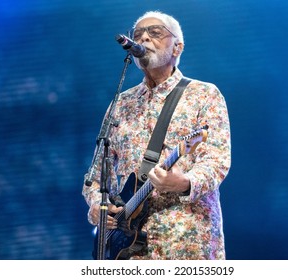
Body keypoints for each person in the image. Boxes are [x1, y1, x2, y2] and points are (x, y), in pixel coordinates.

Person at [82, 10, 231, 260]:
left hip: (184, 240)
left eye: (155, 33)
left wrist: (185, 182)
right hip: (127, 251)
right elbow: (96, 176)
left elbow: (217, 161)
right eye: (138, 34)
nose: (144, 39)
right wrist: (98, 206)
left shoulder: (204, 94)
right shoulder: (121, 103)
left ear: (177, 48)